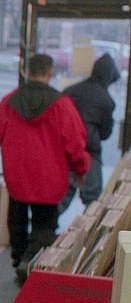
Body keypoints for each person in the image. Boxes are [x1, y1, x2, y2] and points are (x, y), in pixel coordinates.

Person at [0, 53, 90, 283]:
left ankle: (18, 259)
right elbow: (75, 143)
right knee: (44, 225)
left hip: (17, 175)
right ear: (50, 73)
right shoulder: (62, 104)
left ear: (27, 71)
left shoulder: (10, 101)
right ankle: (35, 265)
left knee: (17, 221)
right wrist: (81, 168)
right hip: (50, 178)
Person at [59, 52, 121, 213]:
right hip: (90, 153)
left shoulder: (70, 91)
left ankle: (46, 229)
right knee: (92, 203)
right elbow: (105, 134)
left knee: (61, 199)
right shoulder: (106, 100)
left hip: (65, 152)